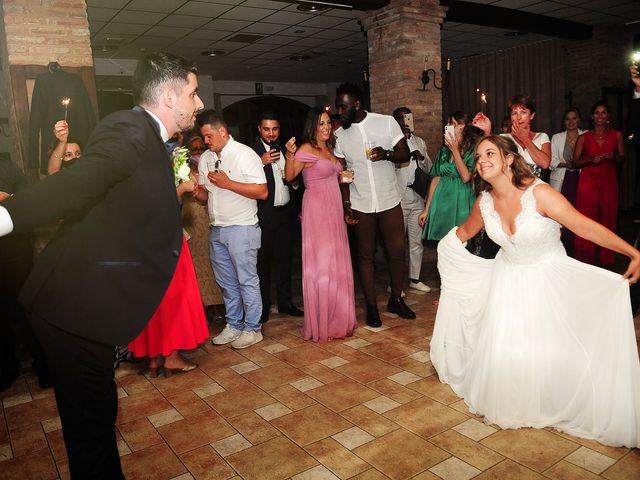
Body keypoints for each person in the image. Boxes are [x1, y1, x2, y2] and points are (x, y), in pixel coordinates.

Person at [0, 52, 204, 478]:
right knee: (91, 427)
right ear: (169, 95)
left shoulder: (151, 140)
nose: (199, 103)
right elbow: (77, 184)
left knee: (96, 417)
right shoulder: (129, 128)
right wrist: (5, 217)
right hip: (70, 308)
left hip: (86, 306)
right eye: (193, 92)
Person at [431, 135, 640, 448]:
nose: (482, 159)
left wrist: (632, 253)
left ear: (509, 159)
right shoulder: (484, 203)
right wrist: (450, 265)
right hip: (508, 279)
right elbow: (463, 234)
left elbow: (583, 226)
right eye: (478, 155)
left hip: (548, 277)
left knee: (556, 344)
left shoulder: (539, 194)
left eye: (490, 153)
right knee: (512, 347)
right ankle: (521, 398)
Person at [334, 82, 414, 327]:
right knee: (365, 257)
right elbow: (343, 173)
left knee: (397, 252)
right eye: (338, 107)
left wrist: (387, 154)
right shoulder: (340, 135)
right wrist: (346, 203)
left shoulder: (386, 122)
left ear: (357, 104)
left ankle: (396, 299)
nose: (339, 112)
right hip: (361, 202)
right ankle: (371, 307)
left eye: (343, 107)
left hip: (389, 199)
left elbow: (405, 154)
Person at [128, 150, 209, 377]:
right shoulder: (148, 177)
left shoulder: (130, 176)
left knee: (155, 299)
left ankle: (155, 356)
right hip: (165, 241)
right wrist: (180, 190)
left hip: (143, 245)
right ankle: (171, 357)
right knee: (173, 298)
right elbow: (156, 209)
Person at [194, 109, 268, 349]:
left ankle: (253, 328)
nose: (205, 141)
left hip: (242, 228)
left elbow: (262, 192)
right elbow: (207, 196)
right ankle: (234, 324)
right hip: (217, 228)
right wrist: (196, 192)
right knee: (226, 282)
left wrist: (228, 183)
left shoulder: (245, 154)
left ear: (222, 131)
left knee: (247, 280)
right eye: (203, 137)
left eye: (208, 136)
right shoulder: (206, 158)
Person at [284, 107, 357, 341]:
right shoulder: (307, 148)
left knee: (337, 262)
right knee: (323, 264)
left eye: (328, 123)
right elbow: (289, 176)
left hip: (334, 208)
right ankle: (323, 321)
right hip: (317, 209)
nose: (326, 127)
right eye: (321, 124)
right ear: (313, 126)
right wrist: (288, 156)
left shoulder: (329, 148)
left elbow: (330, 174)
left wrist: (342, 176)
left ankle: (339, 316)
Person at [252, 111, 304, 323]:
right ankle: (263, 307)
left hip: (286, 213)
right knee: (263, 262)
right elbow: (243, 179)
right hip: (265, 214)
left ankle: (285, 302)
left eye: (275, 129)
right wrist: (261, 162)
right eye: (267, 129)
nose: (271, 134)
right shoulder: (251, 153)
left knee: (285, 259)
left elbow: (295, 180)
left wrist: (293, 182)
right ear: (259, 129)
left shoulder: (285, 149)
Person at [572, 101, 624, 266]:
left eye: (603, 113)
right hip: (588, 180)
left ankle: (606, 258)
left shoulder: (617, 135)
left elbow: (622, 158)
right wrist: (589, 159)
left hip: (608, 179)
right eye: (597, 113)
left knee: (608, 217)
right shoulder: (583, 137)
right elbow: (575, 162)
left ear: (608, 116)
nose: (600, 116)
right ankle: (584, 256)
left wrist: (613, 158)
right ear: (591, 117)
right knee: (586, 218)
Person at [418, 111, 482, 242]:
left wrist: (455, 149)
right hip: (441, 200)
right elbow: (436, 178)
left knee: (461, 242)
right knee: (443, 243)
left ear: (462, 126)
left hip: (462, 199)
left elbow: (466, 177)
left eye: (452, 123)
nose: (447, 125)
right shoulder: (443, 151)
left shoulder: (473, 149)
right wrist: (427, 208)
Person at [181, 133, 224, 312]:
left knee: (214, 263)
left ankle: (219, 306)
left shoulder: (209, 166)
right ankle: (202, 308)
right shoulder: (181, 171)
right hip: (192, 220)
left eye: (201, 148)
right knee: (197, 265)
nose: (198, 152)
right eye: (194, 149)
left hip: (209, 219)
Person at [392, 107, 432, 293]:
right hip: (398, 198)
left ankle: (414, 279)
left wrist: (420, 157)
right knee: (397, 244)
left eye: (407, 118)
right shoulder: (391, 143)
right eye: (401, 118)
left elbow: (430, 168)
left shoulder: (419, 141)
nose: (405, 122)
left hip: (417, 196)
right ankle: (395, 283)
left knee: (416, 242)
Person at [550, 108, 585, 256]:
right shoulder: (556, 138)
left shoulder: (586, 135)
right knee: (561, 216)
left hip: (581, 179)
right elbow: (551, 161)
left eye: (574, 118)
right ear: (563, 122)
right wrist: (567, 165)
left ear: (579, 120)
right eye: (567, 119)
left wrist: (578, 164)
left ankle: (580, 249)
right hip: (562, 180)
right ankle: (561, 250)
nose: (571, 122)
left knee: (580, 214)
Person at [501, 94, 551, 181]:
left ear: (531, 115)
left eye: (523, 112)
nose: (519, 117)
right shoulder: (503, 138)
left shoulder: (542, 136)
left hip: (536, 189)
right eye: (514, 113)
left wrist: (525, 139)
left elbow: (545, 164)